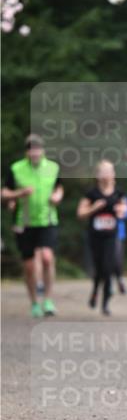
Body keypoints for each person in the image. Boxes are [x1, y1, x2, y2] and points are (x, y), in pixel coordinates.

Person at [1, 134, 63, 317]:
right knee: (29, 266)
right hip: (25, 222)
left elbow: (59, 187)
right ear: (26, 151)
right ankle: (35, 302)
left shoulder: (53, 168)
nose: (35, 152)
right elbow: (4, 192)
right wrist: (18, 194)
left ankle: (49, 300)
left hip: (48, 219)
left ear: (42, 150)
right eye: (31, 149)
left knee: (47, 257)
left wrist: (57, 196)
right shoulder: (16, 169)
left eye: (37, 149)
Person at [77, 160, 127, 316]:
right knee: (98, 269)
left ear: (113, 175)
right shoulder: (91, 194)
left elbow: (124, 208)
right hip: (95, 237)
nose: (107, 175)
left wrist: (121, 210)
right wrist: (94, 208)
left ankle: (105, 304)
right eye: (103, 172)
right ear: (98, 175)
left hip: (111, 237)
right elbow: (80, 213)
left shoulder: (119, 193)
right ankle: (94, 291)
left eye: (109, 171)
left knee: (108, 268)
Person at [114, 196, 127, 294]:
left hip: (118, 234)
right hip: (102, 233)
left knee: (118, 259)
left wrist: (122, 213)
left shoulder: (122, 197)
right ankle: (108, 282)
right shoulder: (98, 194)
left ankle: (119, 279)